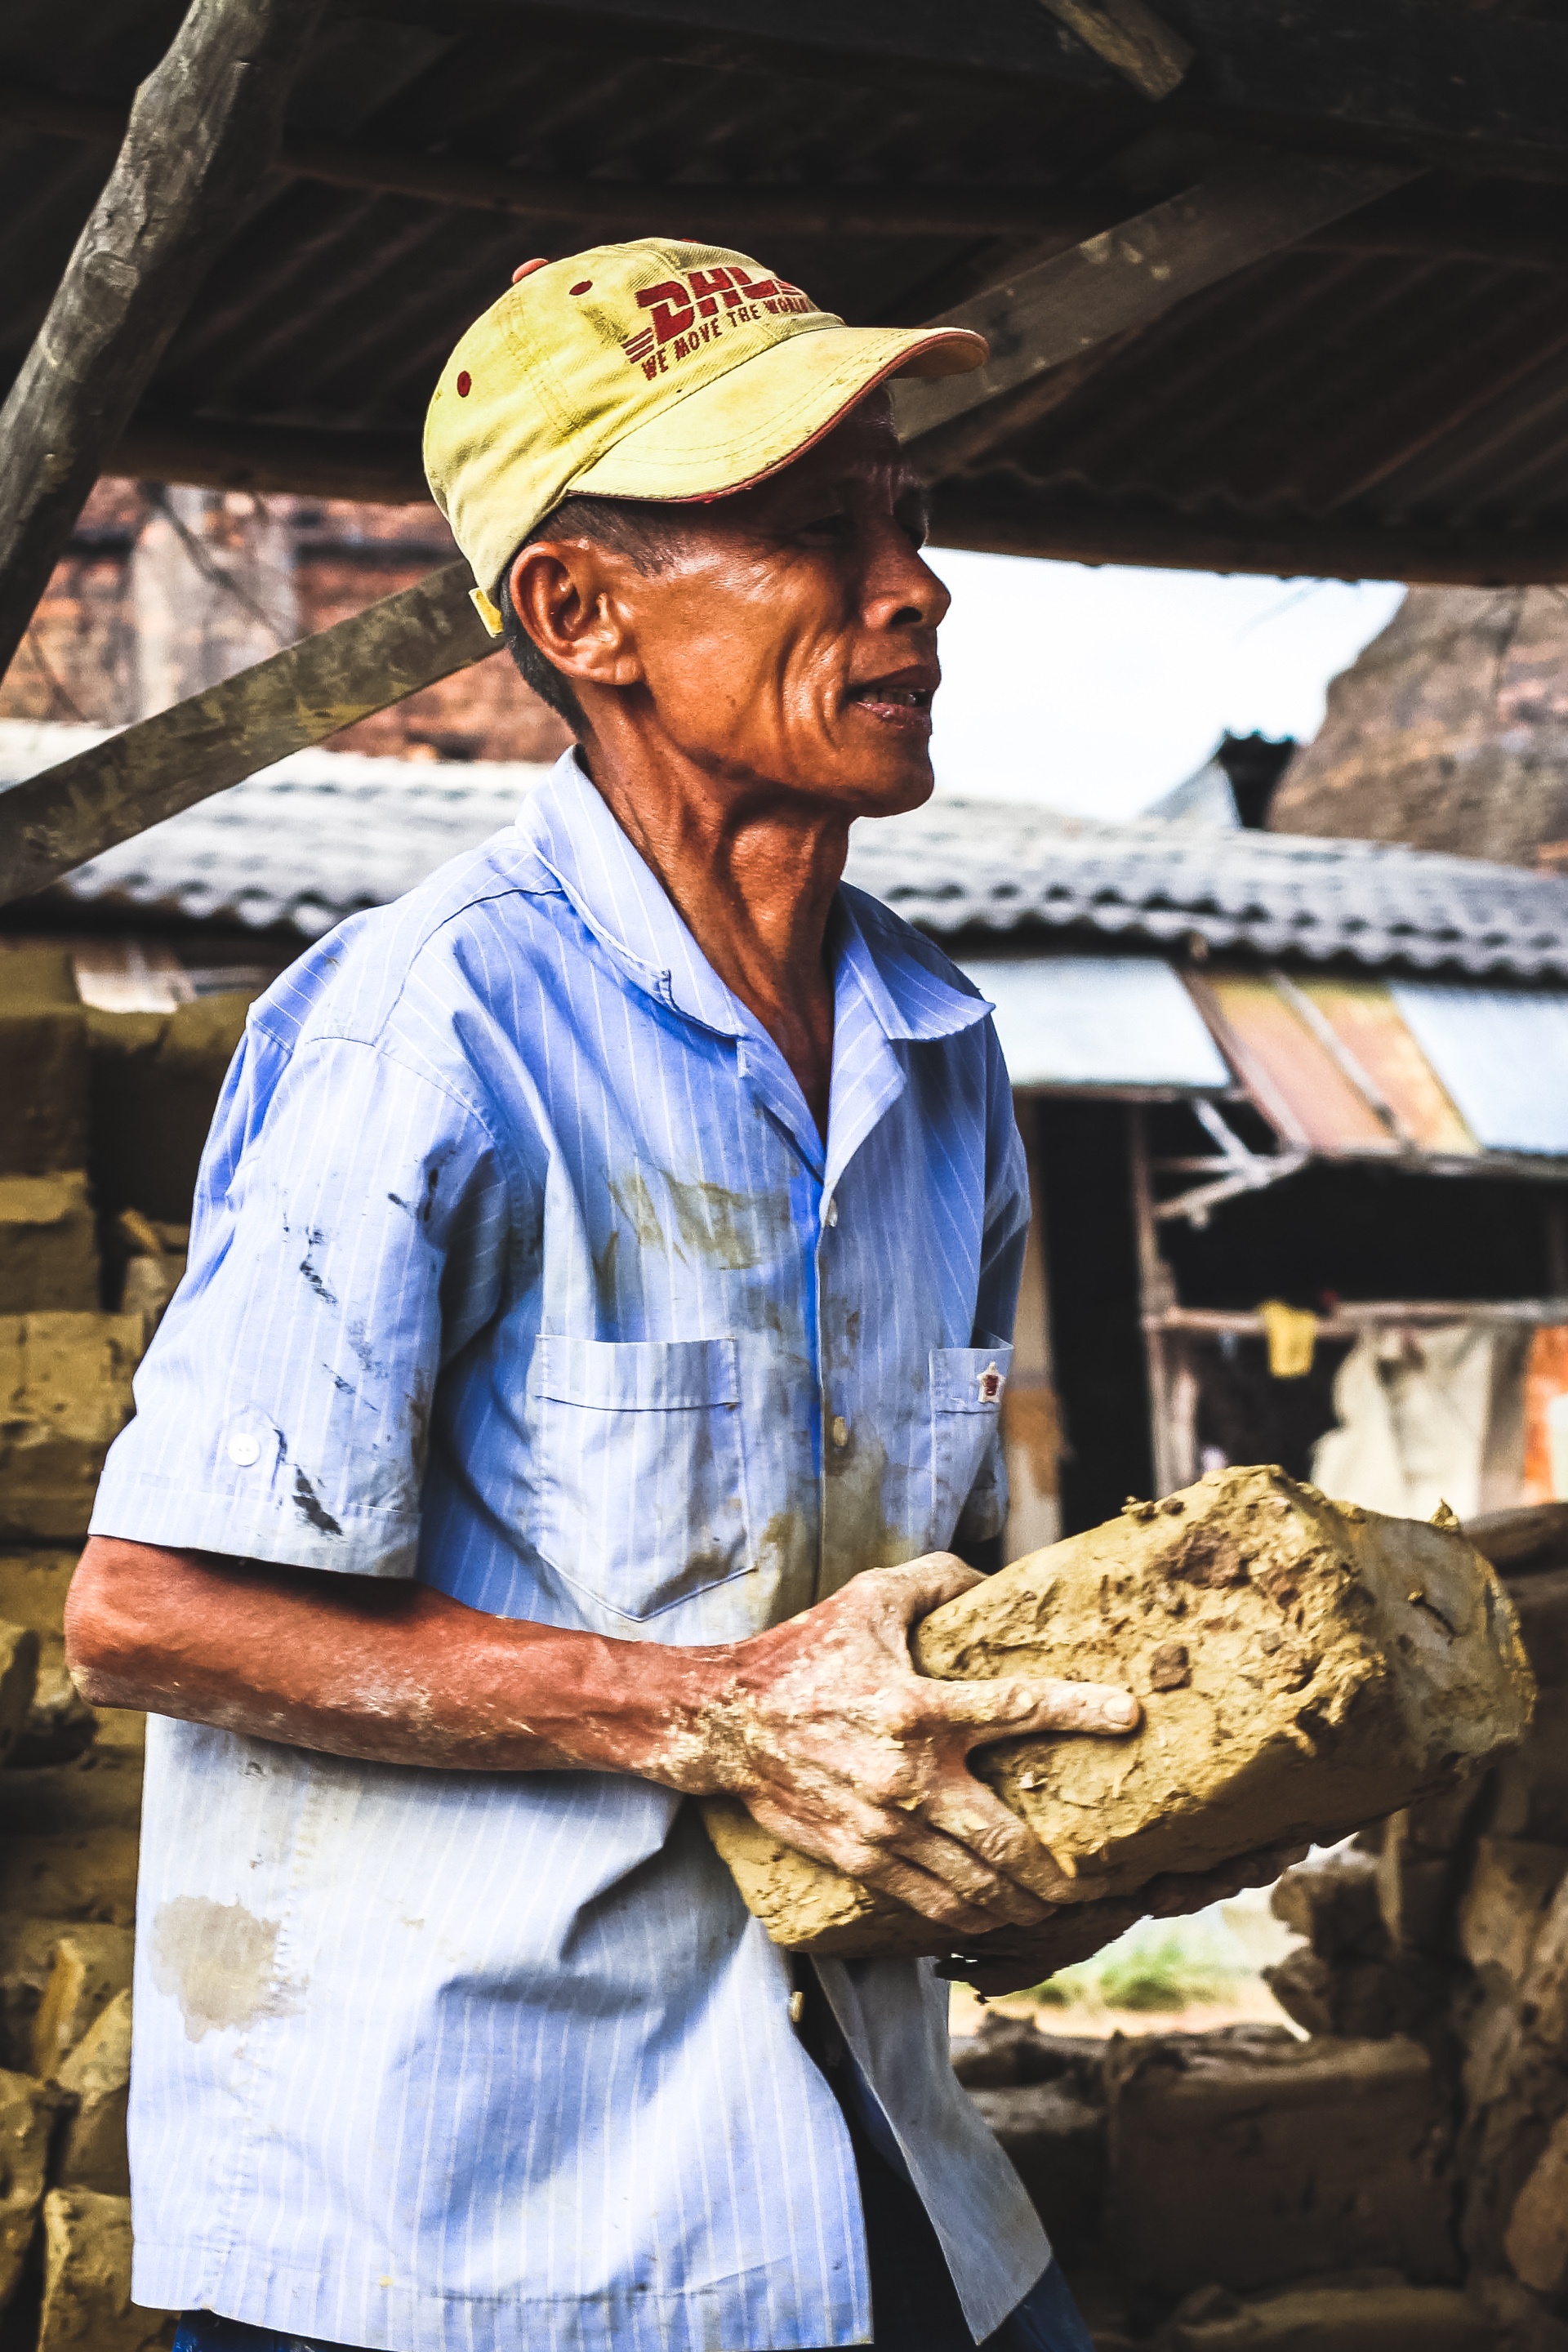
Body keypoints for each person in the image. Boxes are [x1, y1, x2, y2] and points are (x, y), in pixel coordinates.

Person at [71, 238, 1156, 2352]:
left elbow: (897, 1626)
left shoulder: (943, 1062)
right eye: (808, 532)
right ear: (582, 615)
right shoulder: (425, 1033)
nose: (913, 586)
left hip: (861, 2137)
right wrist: (710, 1716)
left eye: (908, 520)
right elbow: (146, 1609)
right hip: (463, 2208)